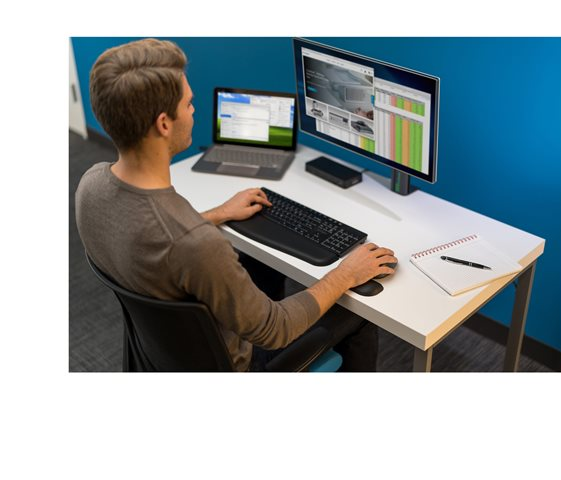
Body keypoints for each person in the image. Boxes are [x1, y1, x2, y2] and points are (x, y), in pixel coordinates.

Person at [75, 38, 397, 372]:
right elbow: (276, 329)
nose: (194, 110)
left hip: (162, 354)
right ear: (164, 124)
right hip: (237, 364)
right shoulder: (197, 245)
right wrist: (345, 274)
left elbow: (154, 237)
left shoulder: (91, 186)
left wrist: (218, 214)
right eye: (188, 103)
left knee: (259, 264)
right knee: (358, 314)